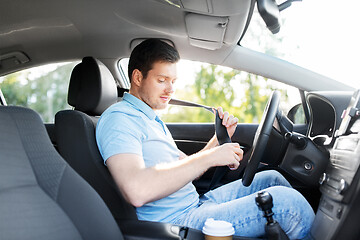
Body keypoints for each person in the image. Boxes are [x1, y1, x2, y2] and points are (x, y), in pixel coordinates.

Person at [96, 38, 314, 239]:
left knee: (272, 178)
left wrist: (217, 143)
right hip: (177, 222)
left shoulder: (148, 118)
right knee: (288, 204)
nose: (170, 89)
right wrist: (211, 158)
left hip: (195, 204)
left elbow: (181, 167)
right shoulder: (119, 120)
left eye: (173, 81)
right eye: (162, 80)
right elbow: (137, 190)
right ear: (137, 77)